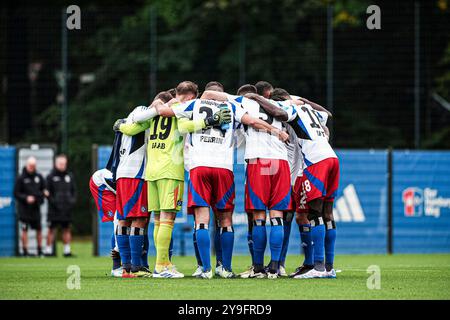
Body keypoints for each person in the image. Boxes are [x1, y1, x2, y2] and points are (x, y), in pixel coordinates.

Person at [167, 86, 289, 279]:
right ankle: (227, 268)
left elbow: (165, 111)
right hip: (225, 167)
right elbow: (253, 121)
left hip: (200, 166)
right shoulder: (233, 107)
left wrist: (165, 100)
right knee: (226, 220)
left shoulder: (195, 103)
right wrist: (274, 130)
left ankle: (205, 269)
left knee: (202, 221)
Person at [118, 82, 204, 278]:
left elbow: (131, 130)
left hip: (151, 172)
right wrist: (206, 122)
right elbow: (185, 126)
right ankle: (161, 267)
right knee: (167, 220)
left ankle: (164, 262)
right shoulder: (179, 110)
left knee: (158, 220)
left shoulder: (155, 112)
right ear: (190, 97)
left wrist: (121, 124)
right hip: (170, 171)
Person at [258, 88, 339, 279]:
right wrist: (304, 100)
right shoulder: (311, 111)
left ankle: (317, 266)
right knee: (327, 214)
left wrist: (256, 97)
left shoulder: (292, 111)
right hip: (332, 158)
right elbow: (327, 114)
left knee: (313, 214)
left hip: (313, 163)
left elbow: (278, 112)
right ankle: (328, 267)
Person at [111, 91, 173, 278]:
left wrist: (121, 124)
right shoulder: (143, 111)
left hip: (124, 173)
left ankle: (127, 267)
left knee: (124, 219)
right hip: (135, 174)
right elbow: (140, 117)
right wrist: (159, 108)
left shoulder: (132, 117)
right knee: (138, 219)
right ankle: (135, 266)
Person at [89, 168, 122, 277]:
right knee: (119, 219)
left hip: (113, 180)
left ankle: (131, 264)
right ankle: (116, 267)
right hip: (100, 183)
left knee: (124, 218)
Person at [45, 154, 77, 257]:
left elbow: (74, 191)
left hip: (66, 209)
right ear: (56, 164)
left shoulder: (69, 176)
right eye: (60, 163)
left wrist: (72, 201)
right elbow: (47, 192)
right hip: (54, 209)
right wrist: (53, 202)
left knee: (66, 229)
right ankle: (48, 251)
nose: (62, 165)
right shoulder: (50, 176)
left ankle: (67, 251)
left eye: (64, 164)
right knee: (51, 229)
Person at [14, 156, 45, 257]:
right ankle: (25, 251)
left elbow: (44, 191)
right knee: (24, 229)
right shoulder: (21, 178)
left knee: (39, 229)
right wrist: (26, 198)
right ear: (27, 165)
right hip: (24, 209)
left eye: (34, 165)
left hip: (35, 208)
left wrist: (38, 198)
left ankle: (40, 251)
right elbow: (16, 193)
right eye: (30, 165)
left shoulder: (39, 177)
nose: (32, 167)